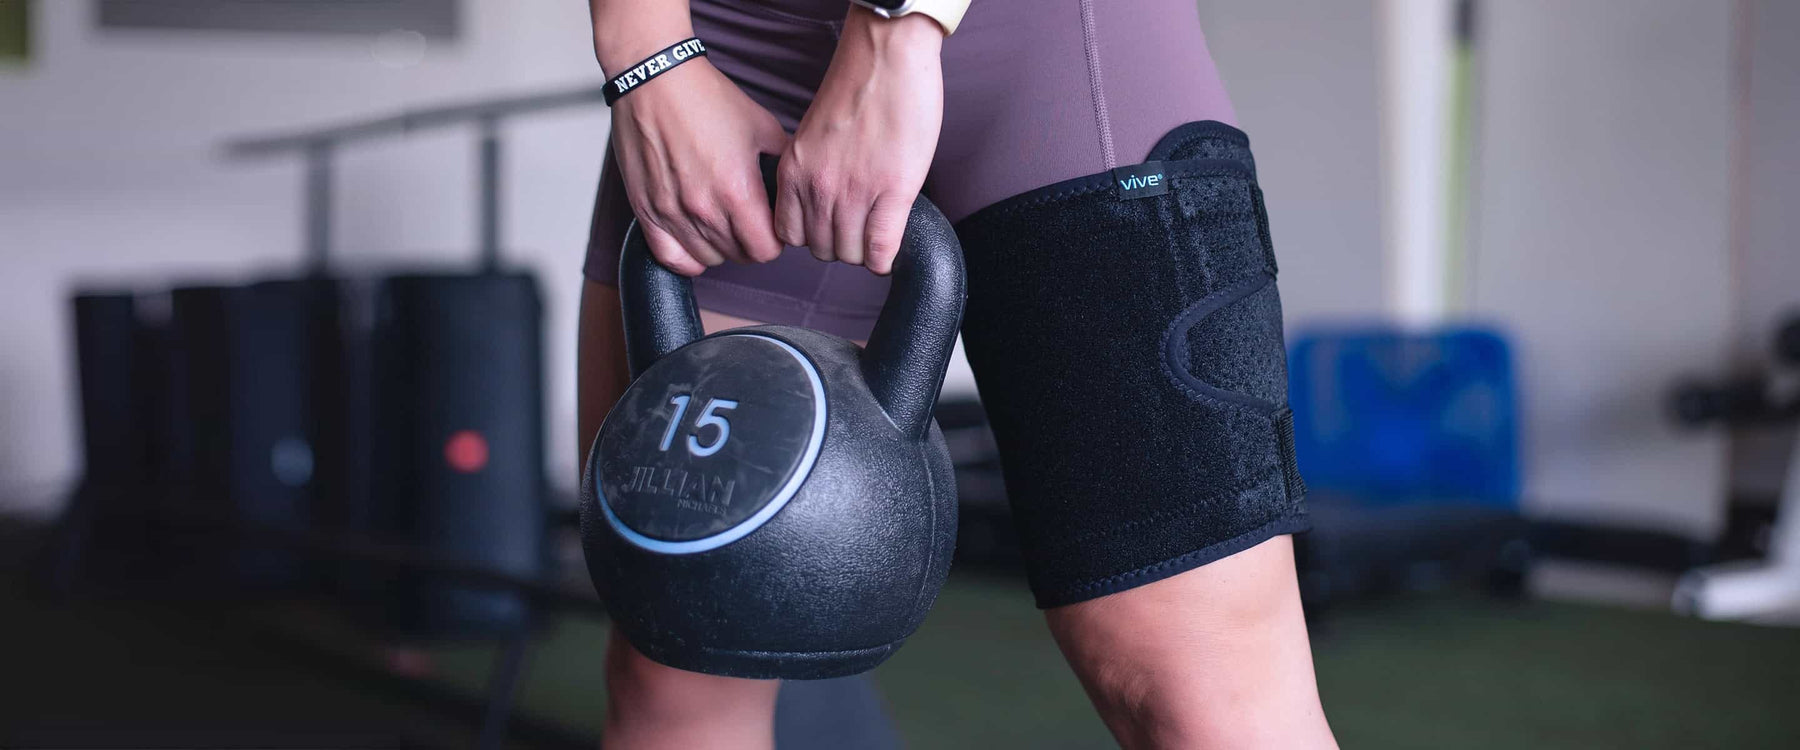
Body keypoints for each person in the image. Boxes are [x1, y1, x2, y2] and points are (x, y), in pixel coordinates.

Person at [577, 1, 1338, 748]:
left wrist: (893, 32)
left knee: (1205, 698)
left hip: (1046, 39)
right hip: (724, 49)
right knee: (675, 671)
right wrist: (648, 58)